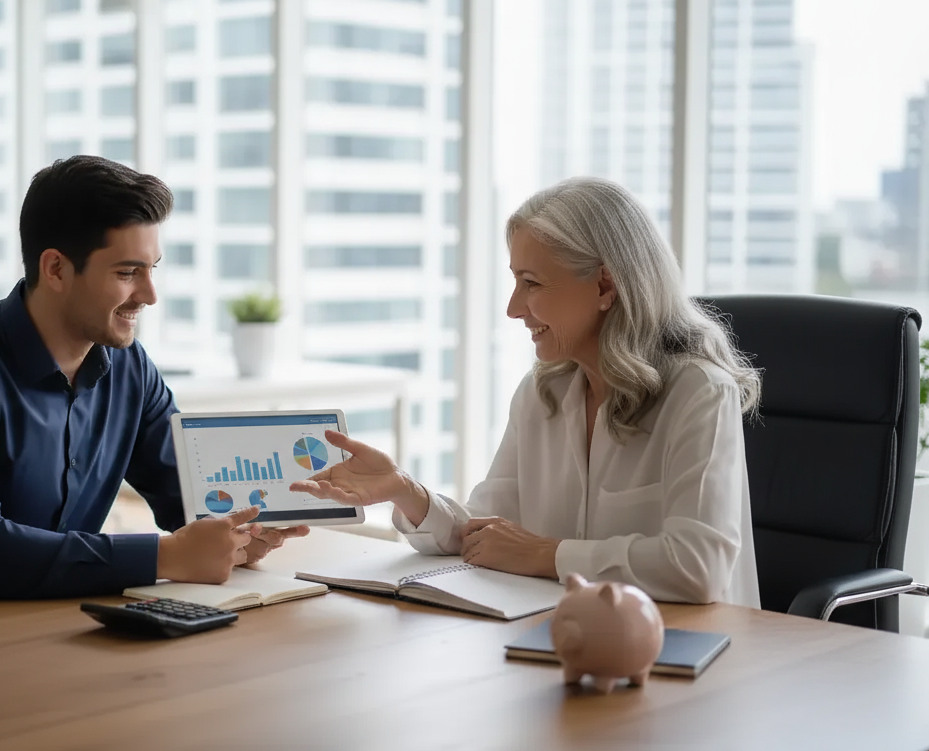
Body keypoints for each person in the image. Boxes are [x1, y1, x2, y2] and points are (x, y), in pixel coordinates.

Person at [291, 176, 761, 607]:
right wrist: (404, 491)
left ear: (604, 285)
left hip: (692, 648)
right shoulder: (544, 392)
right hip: (572, 636)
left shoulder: (699, 392)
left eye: (531, 283)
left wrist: (546, 554)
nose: (514, 308)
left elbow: (698, 567)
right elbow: (485, 532)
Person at [0, 156, 307, 610]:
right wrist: (166, 556)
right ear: (56, 269)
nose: (150, 295)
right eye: (127, 273)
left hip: (55, 620)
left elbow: (193, 498)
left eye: (152, 269)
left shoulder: (129, 366)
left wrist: (245, 531)